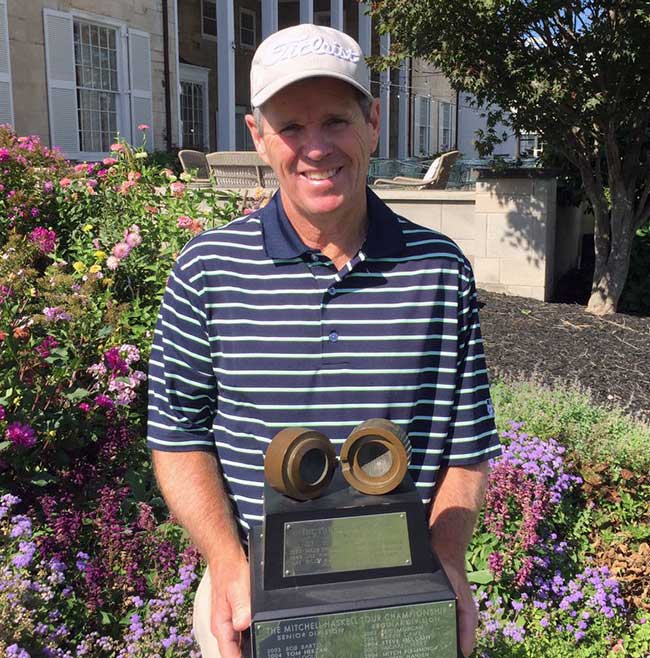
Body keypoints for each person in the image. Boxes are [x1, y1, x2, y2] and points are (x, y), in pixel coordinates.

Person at [147, 23, 500, 658]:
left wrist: (446, 561)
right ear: (258, 136)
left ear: (373, 121)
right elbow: (179, 438)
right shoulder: (206, 270)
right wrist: (226, 563)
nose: (315, 148)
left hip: (401, 591)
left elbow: (467, 446)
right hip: (261, 592)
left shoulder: (439, 269)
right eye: (290, 127)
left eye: (335, 121)